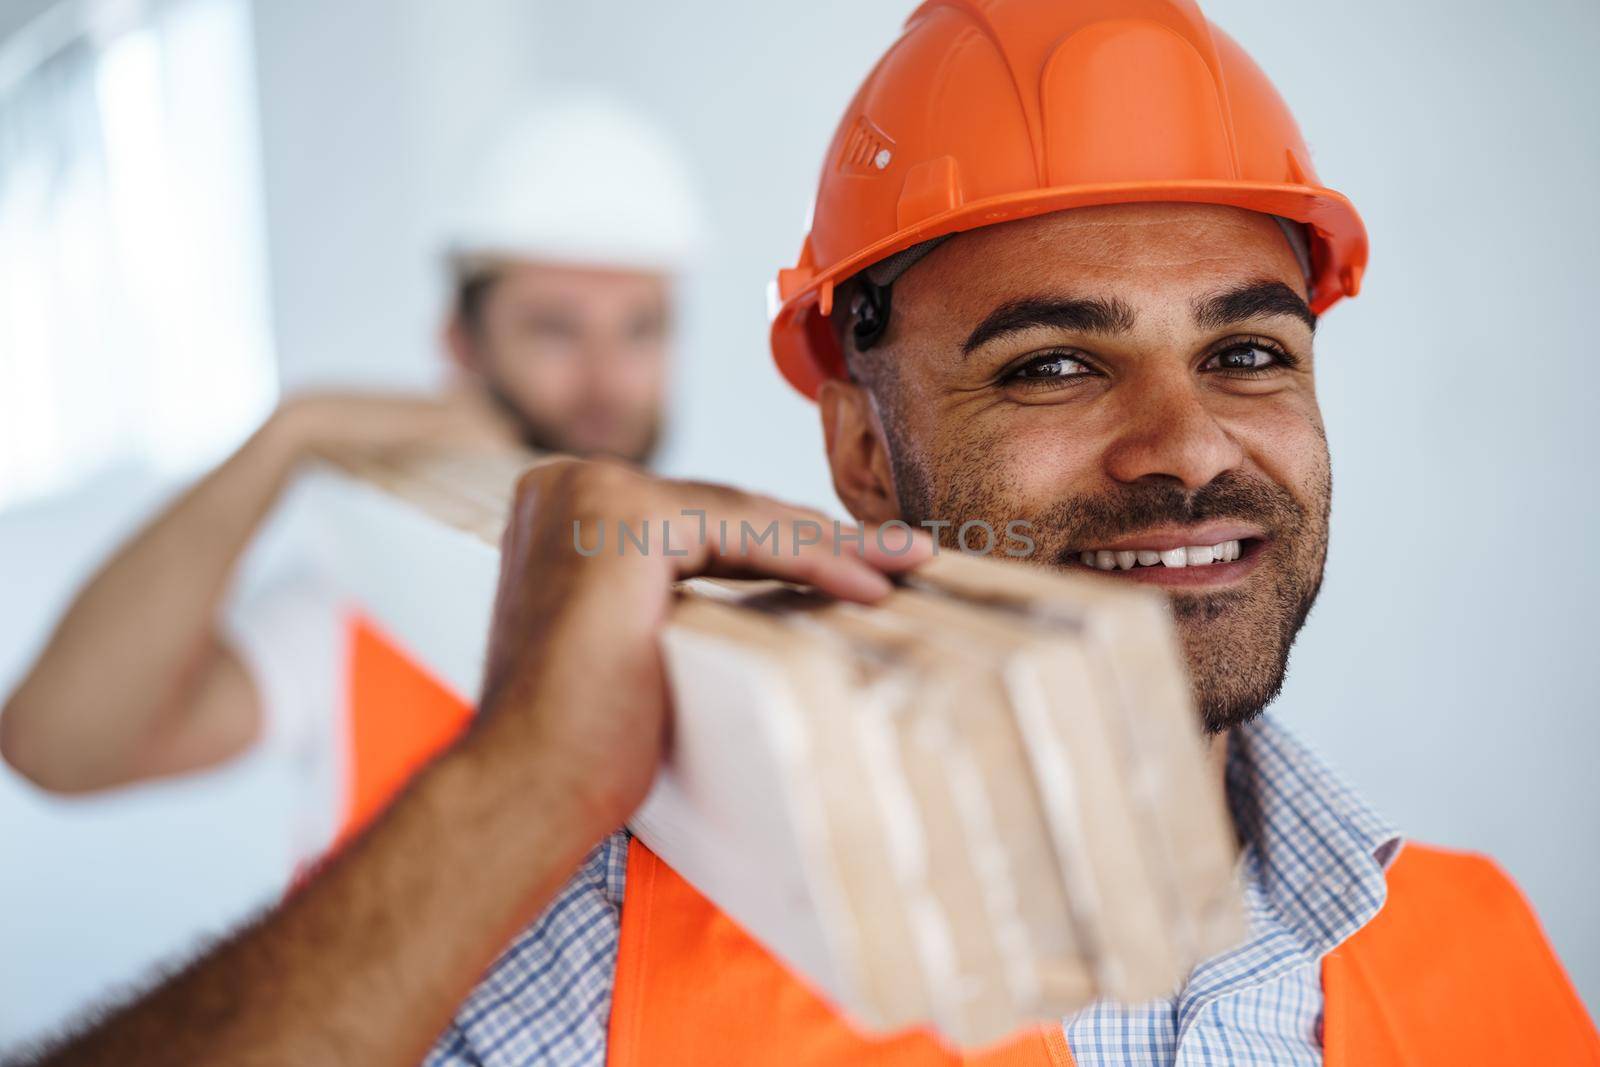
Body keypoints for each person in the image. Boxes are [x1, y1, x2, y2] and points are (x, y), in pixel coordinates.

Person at [11, 2, 1599, 1065]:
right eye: (1055, 361)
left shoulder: (1483, 956)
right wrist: (509, 786)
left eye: (1250, 350)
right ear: (855, 442)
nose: (1185, 447)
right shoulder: (604, 952)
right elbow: (60, 735)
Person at [0, 90, 701, 849]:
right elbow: (57, 743)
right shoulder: (364, 595)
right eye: (555, 329)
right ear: (461, 347)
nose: (606, 381)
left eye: (641, 329)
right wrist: (290, 435)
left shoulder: (729, 581)